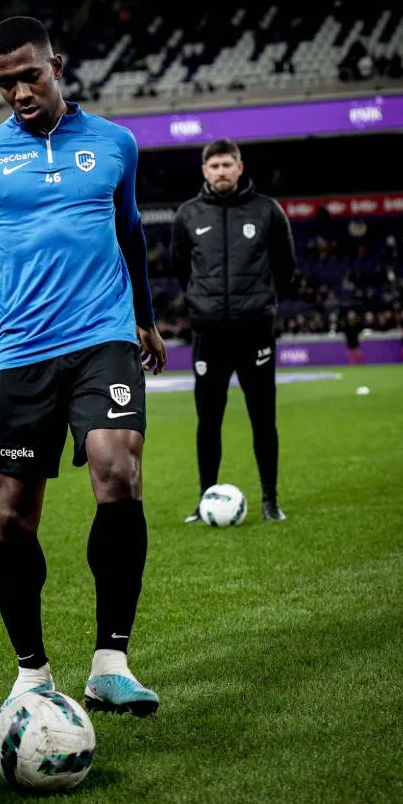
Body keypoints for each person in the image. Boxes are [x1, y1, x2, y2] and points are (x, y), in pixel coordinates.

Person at [0, 16, 167, 717]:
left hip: (101, 336)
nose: (16, 91)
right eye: (3, 82)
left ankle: (110, 661)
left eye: (28, 75)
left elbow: (129, 232)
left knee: (117, 465)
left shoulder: (114, 144)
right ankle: (33, 672)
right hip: (22, 353)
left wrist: (146, 316)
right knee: (11, 514)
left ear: (57, 66)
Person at [170, 139, 295, 525]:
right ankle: (205, 499)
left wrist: (260, 303)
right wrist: (201, 302)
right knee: (208, 422)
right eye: (214, 166)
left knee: (263, 419)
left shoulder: (267, 211)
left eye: (228, 164)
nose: (221, 171)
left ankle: (270, 500)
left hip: (255, 333)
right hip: (209, 334)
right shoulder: (188, 215)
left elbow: (285, 266)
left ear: (240, 167)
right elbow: (180, 269)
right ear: (205, 171)